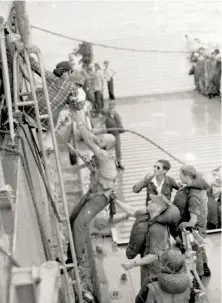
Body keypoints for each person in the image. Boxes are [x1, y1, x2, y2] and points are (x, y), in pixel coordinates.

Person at [68, 109, 118, 265]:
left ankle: (76, 259)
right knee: (73, 218)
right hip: (94, 192)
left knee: (79, 223)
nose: (98, 140)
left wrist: (79, 120)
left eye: (101, 140)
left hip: (100, 197)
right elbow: (92, 137)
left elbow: (89, 141)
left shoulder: (104, 155)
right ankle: (76, 248)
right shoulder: (104, 152)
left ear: (106, 147)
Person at [121, 194, 180, 291]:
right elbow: (131, 211)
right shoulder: (147, 215)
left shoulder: (157, 230)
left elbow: (153, 255)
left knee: (148, 291)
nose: (148, 201)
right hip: (146, 261)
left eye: (152, 201)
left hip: (153, 268)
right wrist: (115, 201)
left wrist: (133, 264)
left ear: (157, 208)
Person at [23, 57, 77, 149]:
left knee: (38, 92)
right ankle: (46, 146)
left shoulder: (51, 77)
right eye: (70, 72)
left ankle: (44, 144)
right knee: (56, 118)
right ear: (66, 72)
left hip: (31, 110)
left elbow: (35, 66)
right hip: (47, 121)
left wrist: (27, 55)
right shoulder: (72, 87)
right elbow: (74, 106)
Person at [171, 165, 211, 278]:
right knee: (201, 247)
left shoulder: (193, 195)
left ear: (187, 176)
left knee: (195, 251)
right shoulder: (199, 187)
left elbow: (192, 220)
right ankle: (205, 266)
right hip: (202, 225)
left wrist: (183, 225)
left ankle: (198, 276)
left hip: (195, 228)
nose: (179, 177)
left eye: (181, 176)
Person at [103, 100, 124, 170]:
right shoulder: (106, 116)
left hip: (116, 135)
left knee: (118, 149)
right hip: (110, 136)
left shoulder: (117, 115)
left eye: (113, 108)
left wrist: (121, 129)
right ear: (109, 108)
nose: (112, 109)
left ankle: (118, 162)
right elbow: (101, 123)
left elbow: (120, 124)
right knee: (109, 150)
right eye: (110, 108)